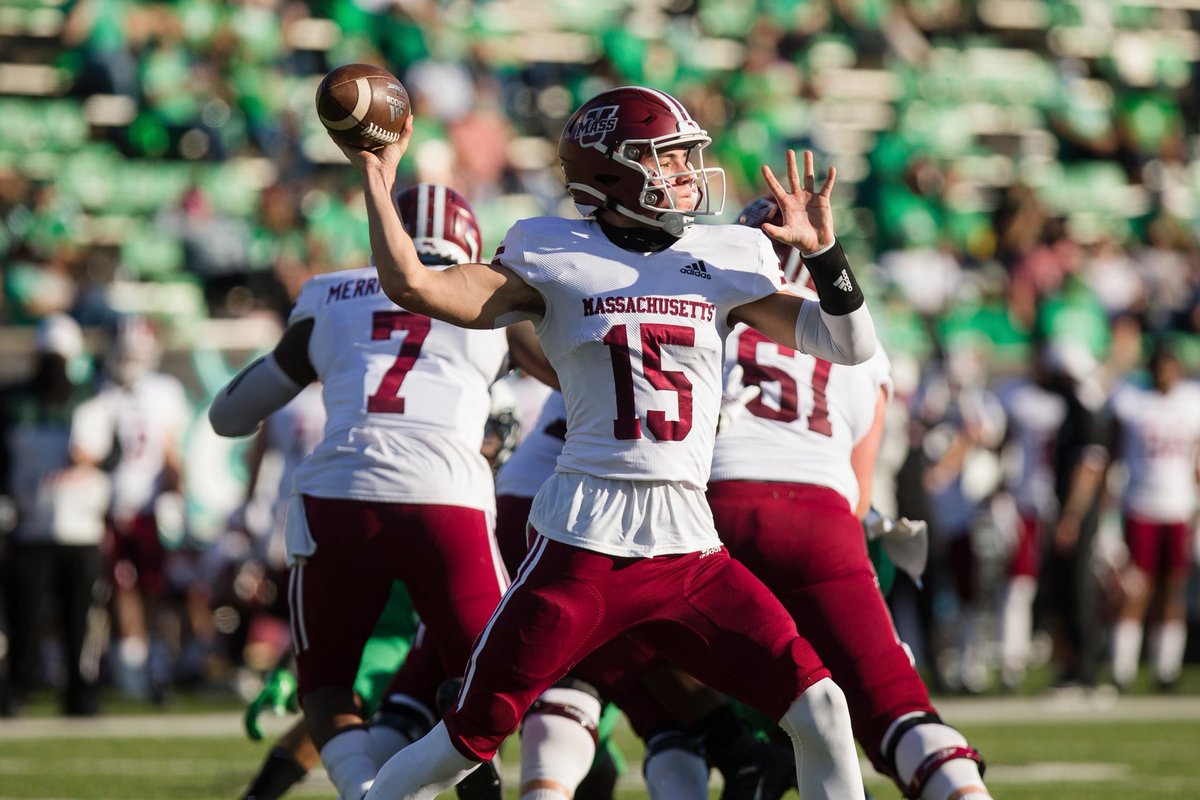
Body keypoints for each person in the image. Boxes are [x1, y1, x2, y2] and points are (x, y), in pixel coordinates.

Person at [349, 85, 877, 800]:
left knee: (821, 708)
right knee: (467, 738)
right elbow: (413, 285)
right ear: (611, 175)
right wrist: (378, 180)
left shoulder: (725, 254)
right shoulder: (550, 251)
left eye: (690, 157)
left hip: (690, 544)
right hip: (583, 542)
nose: (690, 173)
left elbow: (849, 345)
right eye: (668, 158)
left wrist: (826, 255)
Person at [210, 182, 520, 800]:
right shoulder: (495, 301)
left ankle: (362, 790)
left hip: (339, 495)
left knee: (326, 684)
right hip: (446, 497)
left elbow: (230, 416)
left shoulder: (331, 294)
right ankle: (462, 760)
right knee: (497, 682)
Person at [705, 196, 991, 800]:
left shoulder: (702, 317)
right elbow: (861, 493)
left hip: (713, 511)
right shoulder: (857, 338)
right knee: (891, 703)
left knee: (658, 693)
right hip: (821, 518)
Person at [70, 314, 190, 703]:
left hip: (147, 508)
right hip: (109, 506)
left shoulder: (158, 391)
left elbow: (172, 455)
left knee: (151, 588)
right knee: (122, 590)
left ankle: (151, 665)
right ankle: (135, 667)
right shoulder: (102, 392)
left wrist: (175, 495)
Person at [0, 314, 109, 717]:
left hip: (81, 524)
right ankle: (18, 688)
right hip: (31, 523)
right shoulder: (14, 402)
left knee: (80, 619)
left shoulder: (92, 399)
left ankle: (80, 692)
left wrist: (92, 458)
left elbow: (109, 455)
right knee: (24, 617)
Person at [1108, 342, 1200, 691]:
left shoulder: (1191, 401)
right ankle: (1123, 669)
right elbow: (1115, 452)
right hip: (1140, 504)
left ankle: (1166, 669)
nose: (1165, 375)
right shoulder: (1132, 400)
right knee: (1135, 588)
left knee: (1173, 588)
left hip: (1179, 507)